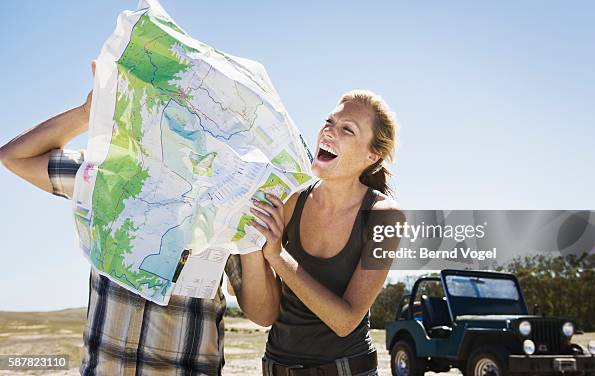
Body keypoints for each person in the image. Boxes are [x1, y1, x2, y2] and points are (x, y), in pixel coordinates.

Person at [0, 62, 281, 375]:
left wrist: (253, 237)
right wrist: (87, 113)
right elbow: (15, 157)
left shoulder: (230, 197)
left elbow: (263, 313)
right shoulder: (108, 172)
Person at [249, 90, 401, 376]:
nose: (329, 131)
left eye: (347, 129)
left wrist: (278, 256)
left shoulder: (386, 218)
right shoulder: (291, 200)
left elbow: (346, 321)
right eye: (329, 121)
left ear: (372, 155)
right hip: (275, 367)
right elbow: (259, 309)